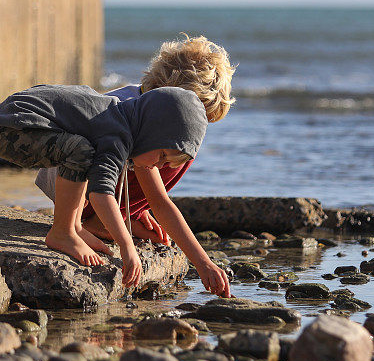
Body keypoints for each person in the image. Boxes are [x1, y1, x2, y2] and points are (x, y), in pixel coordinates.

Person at [0, 85, 230, 297]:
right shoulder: (117, 135)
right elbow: (101, 195)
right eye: (163, 155)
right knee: (80, 151)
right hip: (6, 128)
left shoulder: (121, 117)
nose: (160, 166)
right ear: (154, 130)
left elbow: (159, 202)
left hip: (11, 118)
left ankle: (74, 227)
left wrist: (202, 262)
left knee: (83, 150)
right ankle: (62, 232)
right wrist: (126, 246)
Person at [35, 34, 235, 246]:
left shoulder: (133, 98)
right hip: (81, 193)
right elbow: (160, 200)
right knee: (174, 153)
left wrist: (139, 209)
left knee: (177, 151)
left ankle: (124, 213)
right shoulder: (141, 124)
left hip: (70, 182)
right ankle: (101, 222)